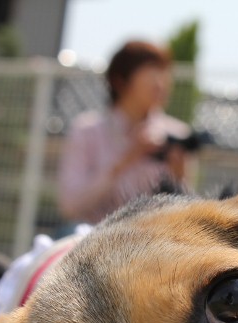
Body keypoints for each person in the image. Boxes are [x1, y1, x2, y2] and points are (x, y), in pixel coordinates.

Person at [57, 40, 193, 227]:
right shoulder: (87, 131)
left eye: (164, 72)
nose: (161, 82)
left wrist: (178, 179)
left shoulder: (177, 135)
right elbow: (70, 207)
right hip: (91, 236)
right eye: (152, 72)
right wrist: (126, 160)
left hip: (152, 239)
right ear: (120, 80)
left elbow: (187, 214)